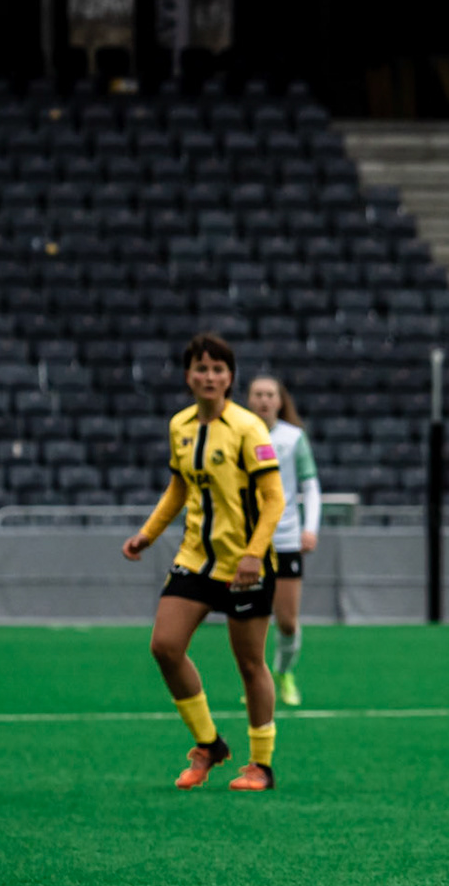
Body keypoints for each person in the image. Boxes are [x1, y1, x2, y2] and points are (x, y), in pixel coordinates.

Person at [122, 332, 286, 792]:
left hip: (245, 567)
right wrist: (147, 534)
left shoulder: (249, 428)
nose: (209, 376)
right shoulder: (181, 426)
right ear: (187, 376)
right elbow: (179, 487)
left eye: (217, 369)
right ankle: (210, 745)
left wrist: (254, 554)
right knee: (165, 647)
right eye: (200, 368)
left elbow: (274, 499)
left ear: (230, 377)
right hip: (196, 559)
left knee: (250, 663)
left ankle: (261, 765)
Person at [245, 375, 323, 705]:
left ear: (279, 401)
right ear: (249, 399)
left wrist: (310, 528)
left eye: (270, 395)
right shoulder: (238, 435)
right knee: (251, 618)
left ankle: (284, 672)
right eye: (258, 394)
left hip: (287, 538)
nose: (264, 400)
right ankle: (255, 681)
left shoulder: (293, 438)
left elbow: (311, 486)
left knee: (287, 622)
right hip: (249, 543)